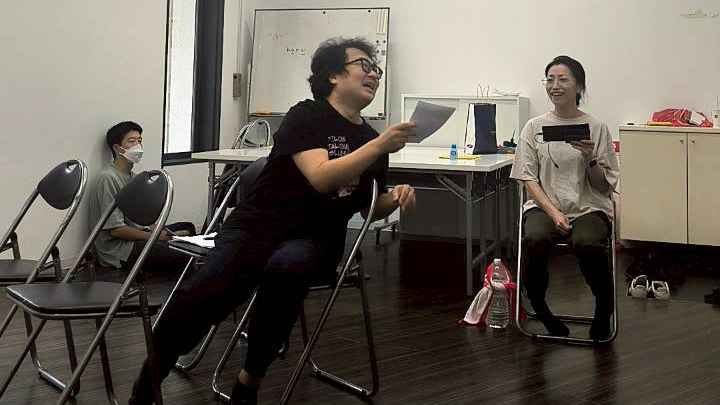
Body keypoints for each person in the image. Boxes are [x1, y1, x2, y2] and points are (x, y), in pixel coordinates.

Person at [129, 37, 417, 405]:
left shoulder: (371, 139)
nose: (373, 74)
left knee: (287, 268)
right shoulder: (306, 116)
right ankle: (152, 375)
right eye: (364, 65)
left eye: (376, 69)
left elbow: (367, 209)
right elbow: (321, 177)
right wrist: (379, 146)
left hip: (317, 238)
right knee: (210, 287)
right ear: (333, 75)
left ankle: (248, 382)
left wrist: (395, 198)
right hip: (258, 225)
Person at [510, 55, 619, 340]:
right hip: (544, 206)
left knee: (587, 242)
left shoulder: (597, 127)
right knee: (535, 238)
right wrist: (553, 212)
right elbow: (527, 177)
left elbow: (604, 187)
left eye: (563, 79)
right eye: (550, 79)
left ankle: (604, 307)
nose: (554, 85)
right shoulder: (533, 127)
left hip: (588, 206)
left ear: (579, 87)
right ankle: (540, 307)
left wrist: (590, 157)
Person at [88, 121, 196, 274]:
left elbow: (141, 219)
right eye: (131, 141)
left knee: (188, 228)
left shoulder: (133, 177)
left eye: (139, 141)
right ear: (117, 148)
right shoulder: (108, 178)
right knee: (186, 254)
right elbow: (116, 230)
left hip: (137, 236)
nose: (137, 145)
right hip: (120, 250)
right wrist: (155, 237)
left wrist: (158, 230)